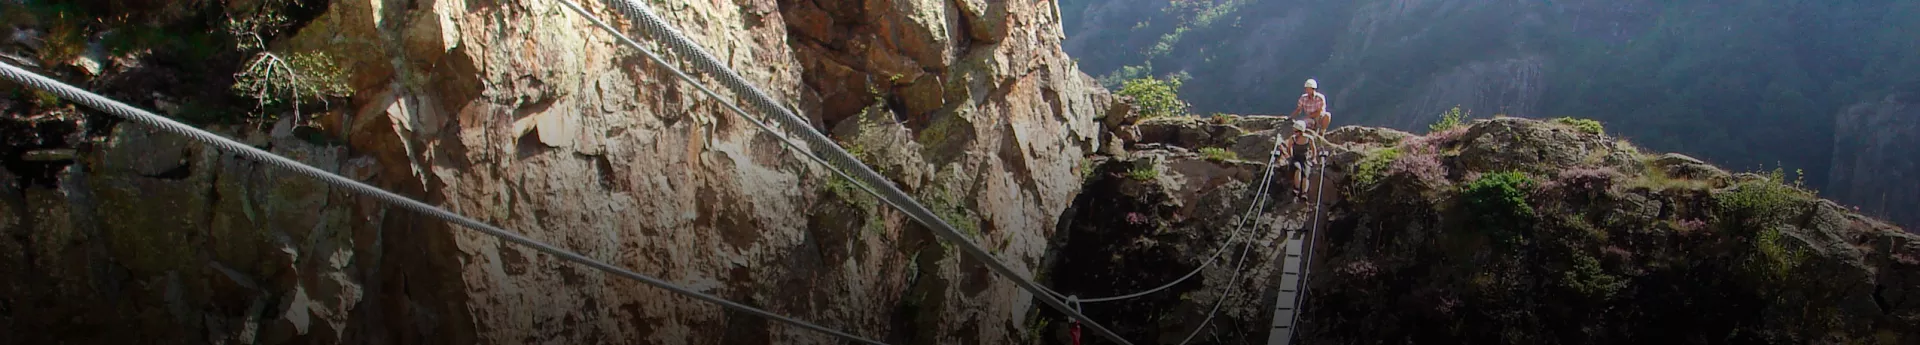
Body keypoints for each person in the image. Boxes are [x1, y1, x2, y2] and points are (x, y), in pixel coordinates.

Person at [1276, 119, 1320, 201]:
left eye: (1296, 131)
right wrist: (1290, 156)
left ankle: (1304, 193)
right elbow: (1290, 147)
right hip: (1296, 158)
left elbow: (1313, 149)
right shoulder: (1293, 138)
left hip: (1305, 158)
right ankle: (1296, 188)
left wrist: (1314, 158)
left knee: (1305, 174)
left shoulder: (1309, 139)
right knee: (1298, 169)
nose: (1295, 133)